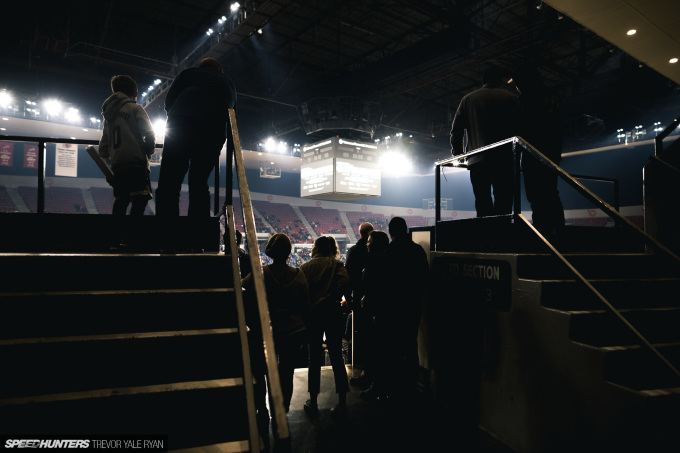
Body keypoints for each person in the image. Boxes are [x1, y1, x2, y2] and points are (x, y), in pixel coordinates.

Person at [241, 233, 310, 448]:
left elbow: (242, 289)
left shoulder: (260, 274)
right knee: (286, 372)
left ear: (270, 250)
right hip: (293, 331)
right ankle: (282, 408)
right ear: (289, 252)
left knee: (260, 371)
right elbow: (305, 306)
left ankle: (262, 408)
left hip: (266, 331)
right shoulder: (299, 275)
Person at [155, 57, 237, 218]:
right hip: (213, 130)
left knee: (170, 179)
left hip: (181, 124)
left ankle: (165, 227)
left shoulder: (188, 73)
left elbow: (169, 101)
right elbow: (232, 110)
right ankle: (198, 228)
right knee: (199, 181)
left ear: (200, 67)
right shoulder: (227, 81)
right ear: (219, 70)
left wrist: (175, 114)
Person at [450, 66, 522, 217]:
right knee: (503, 200)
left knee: (482, 201)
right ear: (500, 81)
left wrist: (458, 153)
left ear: (483, 81)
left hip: (477, 161)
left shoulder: (468, 99)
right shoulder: (510, 98)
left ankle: (485, 231)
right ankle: (501, 230)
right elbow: (522, 129)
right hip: (504, 159)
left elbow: (456, 130)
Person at [98, 74, 156, 250]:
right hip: (136, 161)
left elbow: (103, 146)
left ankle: (114, 241)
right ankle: (132, 240)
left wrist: (109, 164)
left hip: (118, 164)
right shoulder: (135, 108)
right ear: (135, 93)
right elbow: (149, 133)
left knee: (121, 201)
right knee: (141, 198)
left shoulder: (109, 114)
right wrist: (148, 151)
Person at [300, 236, 352, 418]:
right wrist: (331, 297)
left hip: (313, 316)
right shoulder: (336, 264)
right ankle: (342, 402)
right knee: (336, 357)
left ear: (316, 248)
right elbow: (346, 282)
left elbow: (301, 292)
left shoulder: (306, 267)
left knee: (314, 359)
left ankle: (313, 401)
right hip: (333, 314)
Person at [512, 64, 565, 237]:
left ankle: (543, 233)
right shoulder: (553, 95)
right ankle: (559, 231)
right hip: (553, 152)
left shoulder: (526, 98)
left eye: (517, 84)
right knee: (552, 193)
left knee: (536, 197)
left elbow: (521, 127)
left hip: (533, 154)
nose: (516, 88)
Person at [385, 216, 429, 400]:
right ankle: (411, 386)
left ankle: (396, 389)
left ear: (391, 232)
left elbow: (384, 283)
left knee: (394, 349)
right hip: (412, 306)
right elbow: (424, 278)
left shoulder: (389, 251)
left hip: (393, 309)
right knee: (411, 345)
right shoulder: (418, 250)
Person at [357, 229, 391, 402]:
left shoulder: (374, 262)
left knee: (377, 352)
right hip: (383, 313)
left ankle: (377, 387)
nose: (367, 244)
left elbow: (369, 288)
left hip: (376, 314)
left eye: (369, 241)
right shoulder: (389, 261)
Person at [344, 222, 374, 387]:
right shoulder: (379, 253)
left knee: (360, 336)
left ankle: (361, 370)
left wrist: (349, 300)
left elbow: (347, 276)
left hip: (358, 300)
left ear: (360, 233)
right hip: (375, 301)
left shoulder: (354, 251)